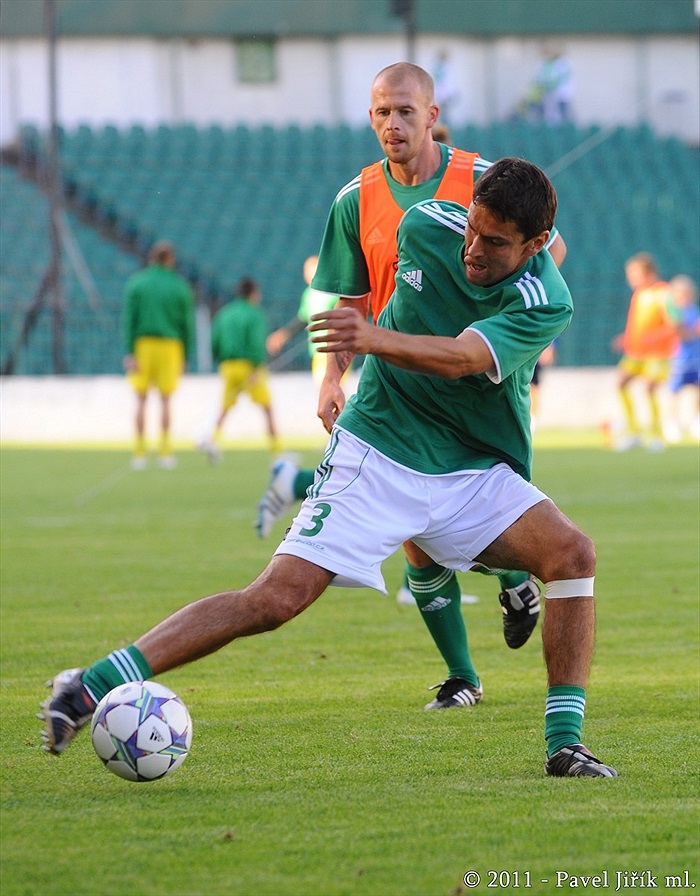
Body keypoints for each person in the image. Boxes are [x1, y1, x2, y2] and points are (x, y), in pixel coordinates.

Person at [40, 158, 618, 778]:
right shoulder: (425, 226)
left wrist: (371, 339)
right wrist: (341, 366)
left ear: (536, 246)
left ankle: (564, 745)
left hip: (470, 469)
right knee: (275, 600)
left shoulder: (545, 301)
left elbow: (458, 358)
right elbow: (371, 287)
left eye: (494, 242)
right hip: (377, 449)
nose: (472, 249)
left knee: (571, 553)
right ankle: (88, 686)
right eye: (473, 229)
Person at [257, 63, 567, 690]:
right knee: (416, 539)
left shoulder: (481, 181)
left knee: (477, 517)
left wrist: (492, 332)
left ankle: (512, 579)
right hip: (395, 379)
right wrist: (330, 377)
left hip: (477, 377)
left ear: (431, 114)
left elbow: (550, 253)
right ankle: (462, 676)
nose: (393, 124)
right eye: (381, 113)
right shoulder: (355, 199)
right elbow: (350, 299)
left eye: (404, 112)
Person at [122, 240, 195, 470]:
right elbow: (187, 324)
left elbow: (128, 320)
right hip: (170, 346)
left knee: (141, 400)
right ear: (170, 259)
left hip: (143, 344)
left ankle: (140, 452)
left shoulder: (137, 283)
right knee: (165, 400)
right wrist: (186, 353)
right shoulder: (179, 286)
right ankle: (164, 451)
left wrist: (129, 350)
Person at [198, 276, 280, 461]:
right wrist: (256, 365)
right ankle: (277, 451)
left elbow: (215, 340)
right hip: (249, 367)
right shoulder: (254, 313)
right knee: (266, 407)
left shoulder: (225, 313)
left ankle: (213, 440)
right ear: (252, 293)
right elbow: (256, 342)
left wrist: (219, 359)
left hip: (227, 366)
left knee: (225, 407)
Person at [612, 253, 678, 451]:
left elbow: (674, 325)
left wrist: (654, 337)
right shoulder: (639, 295)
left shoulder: (663, 293)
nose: (630, 278)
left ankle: (656, 434)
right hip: (636, 353)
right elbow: (637, 325)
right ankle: (633, 431)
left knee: (650, 387)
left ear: (647, 273)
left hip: (657, 353)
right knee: (621, 384)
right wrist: (625, 338)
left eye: (634, 274)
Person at [266, 256, 342, 387]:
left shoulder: (332, 290)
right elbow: (303, 319)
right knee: (327, 389)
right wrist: (283, 335)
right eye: (306, 270)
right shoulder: (308, 294)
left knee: (330, 387)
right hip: (318, 351)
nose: (308, 273)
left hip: (336, 349)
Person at [666, 274, 700, 440]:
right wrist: (692, 332)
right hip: (680, 359)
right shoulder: (675, 313)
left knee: (697, 389)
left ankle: (696, 420)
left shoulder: (694, 310)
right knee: (674, 391)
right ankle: (672, 423)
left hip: (696, 358)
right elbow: (677, 331)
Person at [530, 342, 557, 434]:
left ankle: (531, 424)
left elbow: (547, 356)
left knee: (533, 390)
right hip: (529, 355)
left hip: (533, 357)